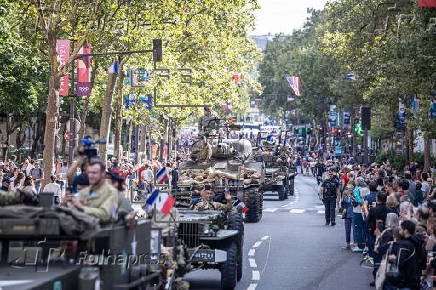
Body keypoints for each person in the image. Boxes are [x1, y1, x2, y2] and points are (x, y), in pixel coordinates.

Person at [63, 159, 119, 224]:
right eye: (89, 173)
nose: (90, 175)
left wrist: (82, 208)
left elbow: (105, 214)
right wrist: (66, 203)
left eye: (94, 173)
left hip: (103, 230)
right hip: (84, 228)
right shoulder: (85, 191)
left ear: (103, 174)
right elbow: (72, 208)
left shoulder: (111, 192)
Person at [385, 220, 420, 290]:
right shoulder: (417, 241)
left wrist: (394, 258)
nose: (399, 231)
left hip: (405, 280)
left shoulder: (404, 245)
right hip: (414, 278)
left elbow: (399, 263)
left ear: (406, 231)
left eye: (400, 229)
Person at [341, 184, 355, 249]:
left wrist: (351, 197)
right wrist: (343, 209)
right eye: (346, 189)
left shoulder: (354, 196)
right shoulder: (344, 196)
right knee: (347, 230)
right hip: (347, 215)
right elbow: (343, 204)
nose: (345, 190)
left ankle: (355, 243)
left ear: (351, 190)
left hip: (353, 214)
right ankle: (348, 243)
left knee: (354, 229)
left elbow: (356, 204)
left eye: (347, 189)